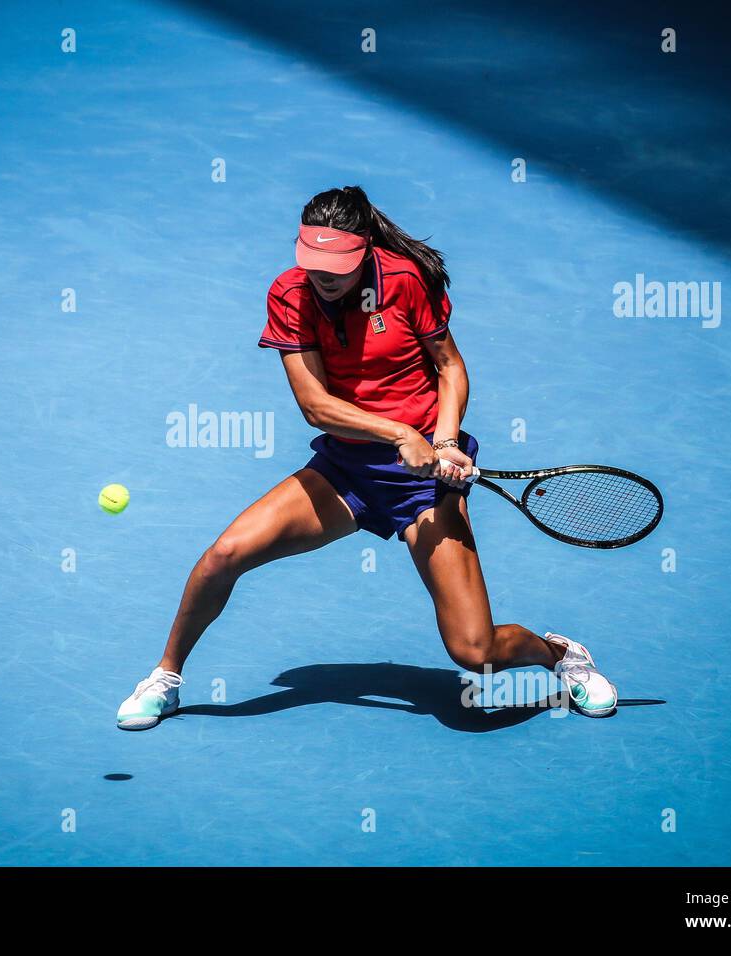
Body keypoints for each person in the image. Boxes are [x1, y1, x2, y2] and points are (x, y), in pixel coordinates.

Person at [117, 186, 616, 729]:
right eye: (312, 261)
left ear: (364, 252)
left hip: (424, 484)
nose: (323, 275)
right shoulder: (290, 294)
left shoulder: (405, 280)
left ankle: (560, 656)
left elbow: (449, 368)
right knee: (225, 554)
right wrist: (399, 433)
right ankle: (165, 678)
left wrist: (444, 442)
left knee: (475, 653)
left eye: (337, 264)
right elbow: (315, 406)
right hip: (346, 471)